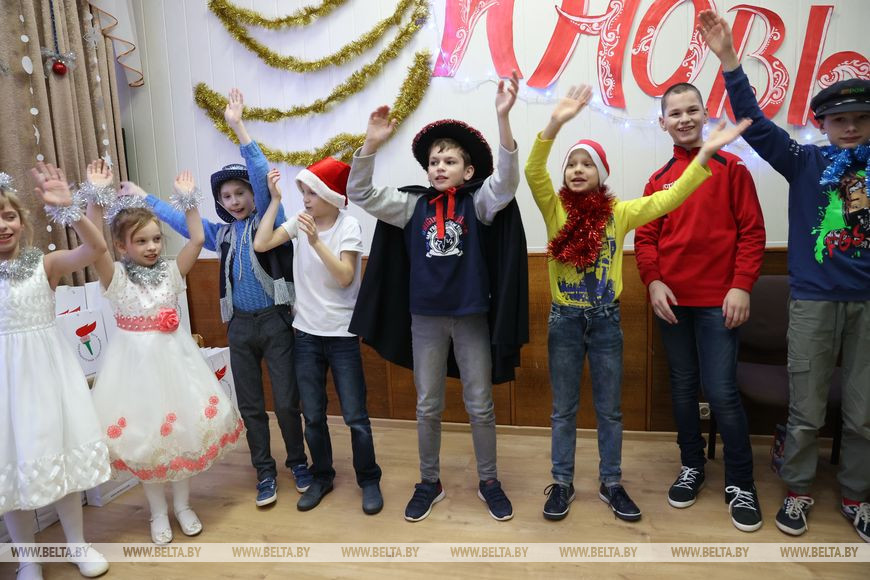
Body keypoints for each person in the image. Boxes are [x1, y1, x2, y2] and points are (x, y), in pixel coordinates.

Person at [524, 83, 751, 523]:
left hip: (606, 323)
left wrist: (704, 156)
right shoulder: (554, 210)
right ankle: (562, 482)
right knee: (563, 410)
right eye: (571, 163)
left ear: (602, 174)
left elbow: (669, 198)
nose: (577, 169)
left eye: (587, 163)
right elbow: (534, 169)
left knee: (610, 411)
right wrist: (555, 123)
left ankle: (611, 482)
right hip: (564, 321)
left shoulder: (620, 213)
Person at [700, 9, 870, 542]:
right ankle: (797, 490)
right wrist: (730, 59)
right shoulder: (804, 162)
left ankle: (856, 495)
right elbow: (754, 119)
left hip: (868, 305)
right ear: (823, 125)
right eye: (840, 121)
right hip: (815, 300)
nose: (850, 128)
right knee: (807, 409)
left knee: (864, 414)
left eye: (861, 119)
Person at [346, 72, 522, 522]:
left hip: (471, 316)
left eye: (449, 161)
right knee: (427, 405)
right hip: (424, 319)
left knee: (480, 404)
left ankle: (489, 480)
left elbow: (506, 183)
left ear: (468, 171)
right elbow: (360, 192)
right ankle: (430, 481)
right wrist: (370, 144)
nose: (439, 167)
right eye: (433, 161)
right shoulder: (412, 206)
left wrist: (503, 119)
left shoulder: (478, 203)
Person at [129, 88, 310, 507]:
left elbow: (259, 171)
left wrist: (237, 126)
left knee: (286, 401)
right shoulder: (221, 234)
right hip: (240, 326)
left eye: (240, 193)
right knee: (250, 405)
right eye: (226, 197)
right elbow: (182, 222)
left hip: (276, 321)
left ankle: (298, 462)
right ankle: (264, 471)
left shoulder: (272, 219)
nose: (235, 201)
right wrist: (146, 199)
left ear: (254, 195)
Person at [634, 81, 766, 532]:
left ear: (705, 114)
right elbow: (646, 238)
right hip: (673, 304)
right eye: (675, 113)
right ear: (663, 123)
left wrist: (741, 286)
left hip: (719, 304)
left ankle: (741, 482)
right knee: (683, 387)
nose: (684, 119)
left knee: (723, 391)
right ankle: (691, 465)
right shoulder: (657, 180)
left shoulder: (733, 168)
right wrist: (653, 281)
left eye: (692, 110)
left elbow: (752, 232)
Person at [88, 163, 243, 545]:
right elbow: (94, 247)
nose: (152, 246)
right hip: (134, 374)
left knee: (181, 436)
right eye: (141, 241)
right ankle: (157, 513)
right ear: (122, 246)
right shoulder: (116, 278)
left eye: (156, 239)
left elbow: (196, 239)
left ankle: (184, 505)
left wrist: (189, 202)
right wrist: (95, 199)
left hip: (175, 367)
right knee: (148, 441)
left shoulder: (171, 273)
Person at [253, 159, 383, 514]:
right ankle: (322, 476)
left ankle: (369, 478)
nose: (306, 199)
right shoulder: (300, 221)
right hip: (306, 334)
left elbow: (344, 276)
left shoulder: (348, 224)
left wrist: (314, 242)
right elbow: (262, 244)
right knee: (312, 415)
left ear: (330, 195)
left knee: (355, 416)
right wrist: (275, 201)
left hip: (341, 334)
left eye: (312, 192)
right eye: (304, 192)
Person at [1, 164, 111, 579]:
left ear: (22, 221)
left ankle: (77, 543)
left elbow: (95, 250)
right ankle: (27, 557)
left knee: (62, 457)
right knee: (11, 466)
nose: (3, 225)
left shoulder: (44, 265)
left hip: (48, 377)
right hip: (5, 384)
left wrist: (73, 210)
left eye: (9, 216)